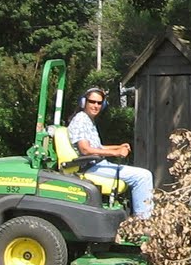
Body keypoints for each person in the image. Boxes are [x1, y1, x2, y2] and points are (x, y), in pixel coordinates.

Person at [65, 88, 155, 219]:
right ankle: (143, 222)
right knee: (143, 176)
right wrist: (115, 153)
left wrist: (119, 147)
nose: (96, 106)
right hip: (90, 167)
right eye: (92, 102)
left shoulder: (88, 120)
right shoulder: (80, 120)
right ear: (84, 102)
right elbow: (85, 150)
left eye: (99, 103)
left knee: (142, 175)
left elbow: (98, 147)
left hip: (97, 164)